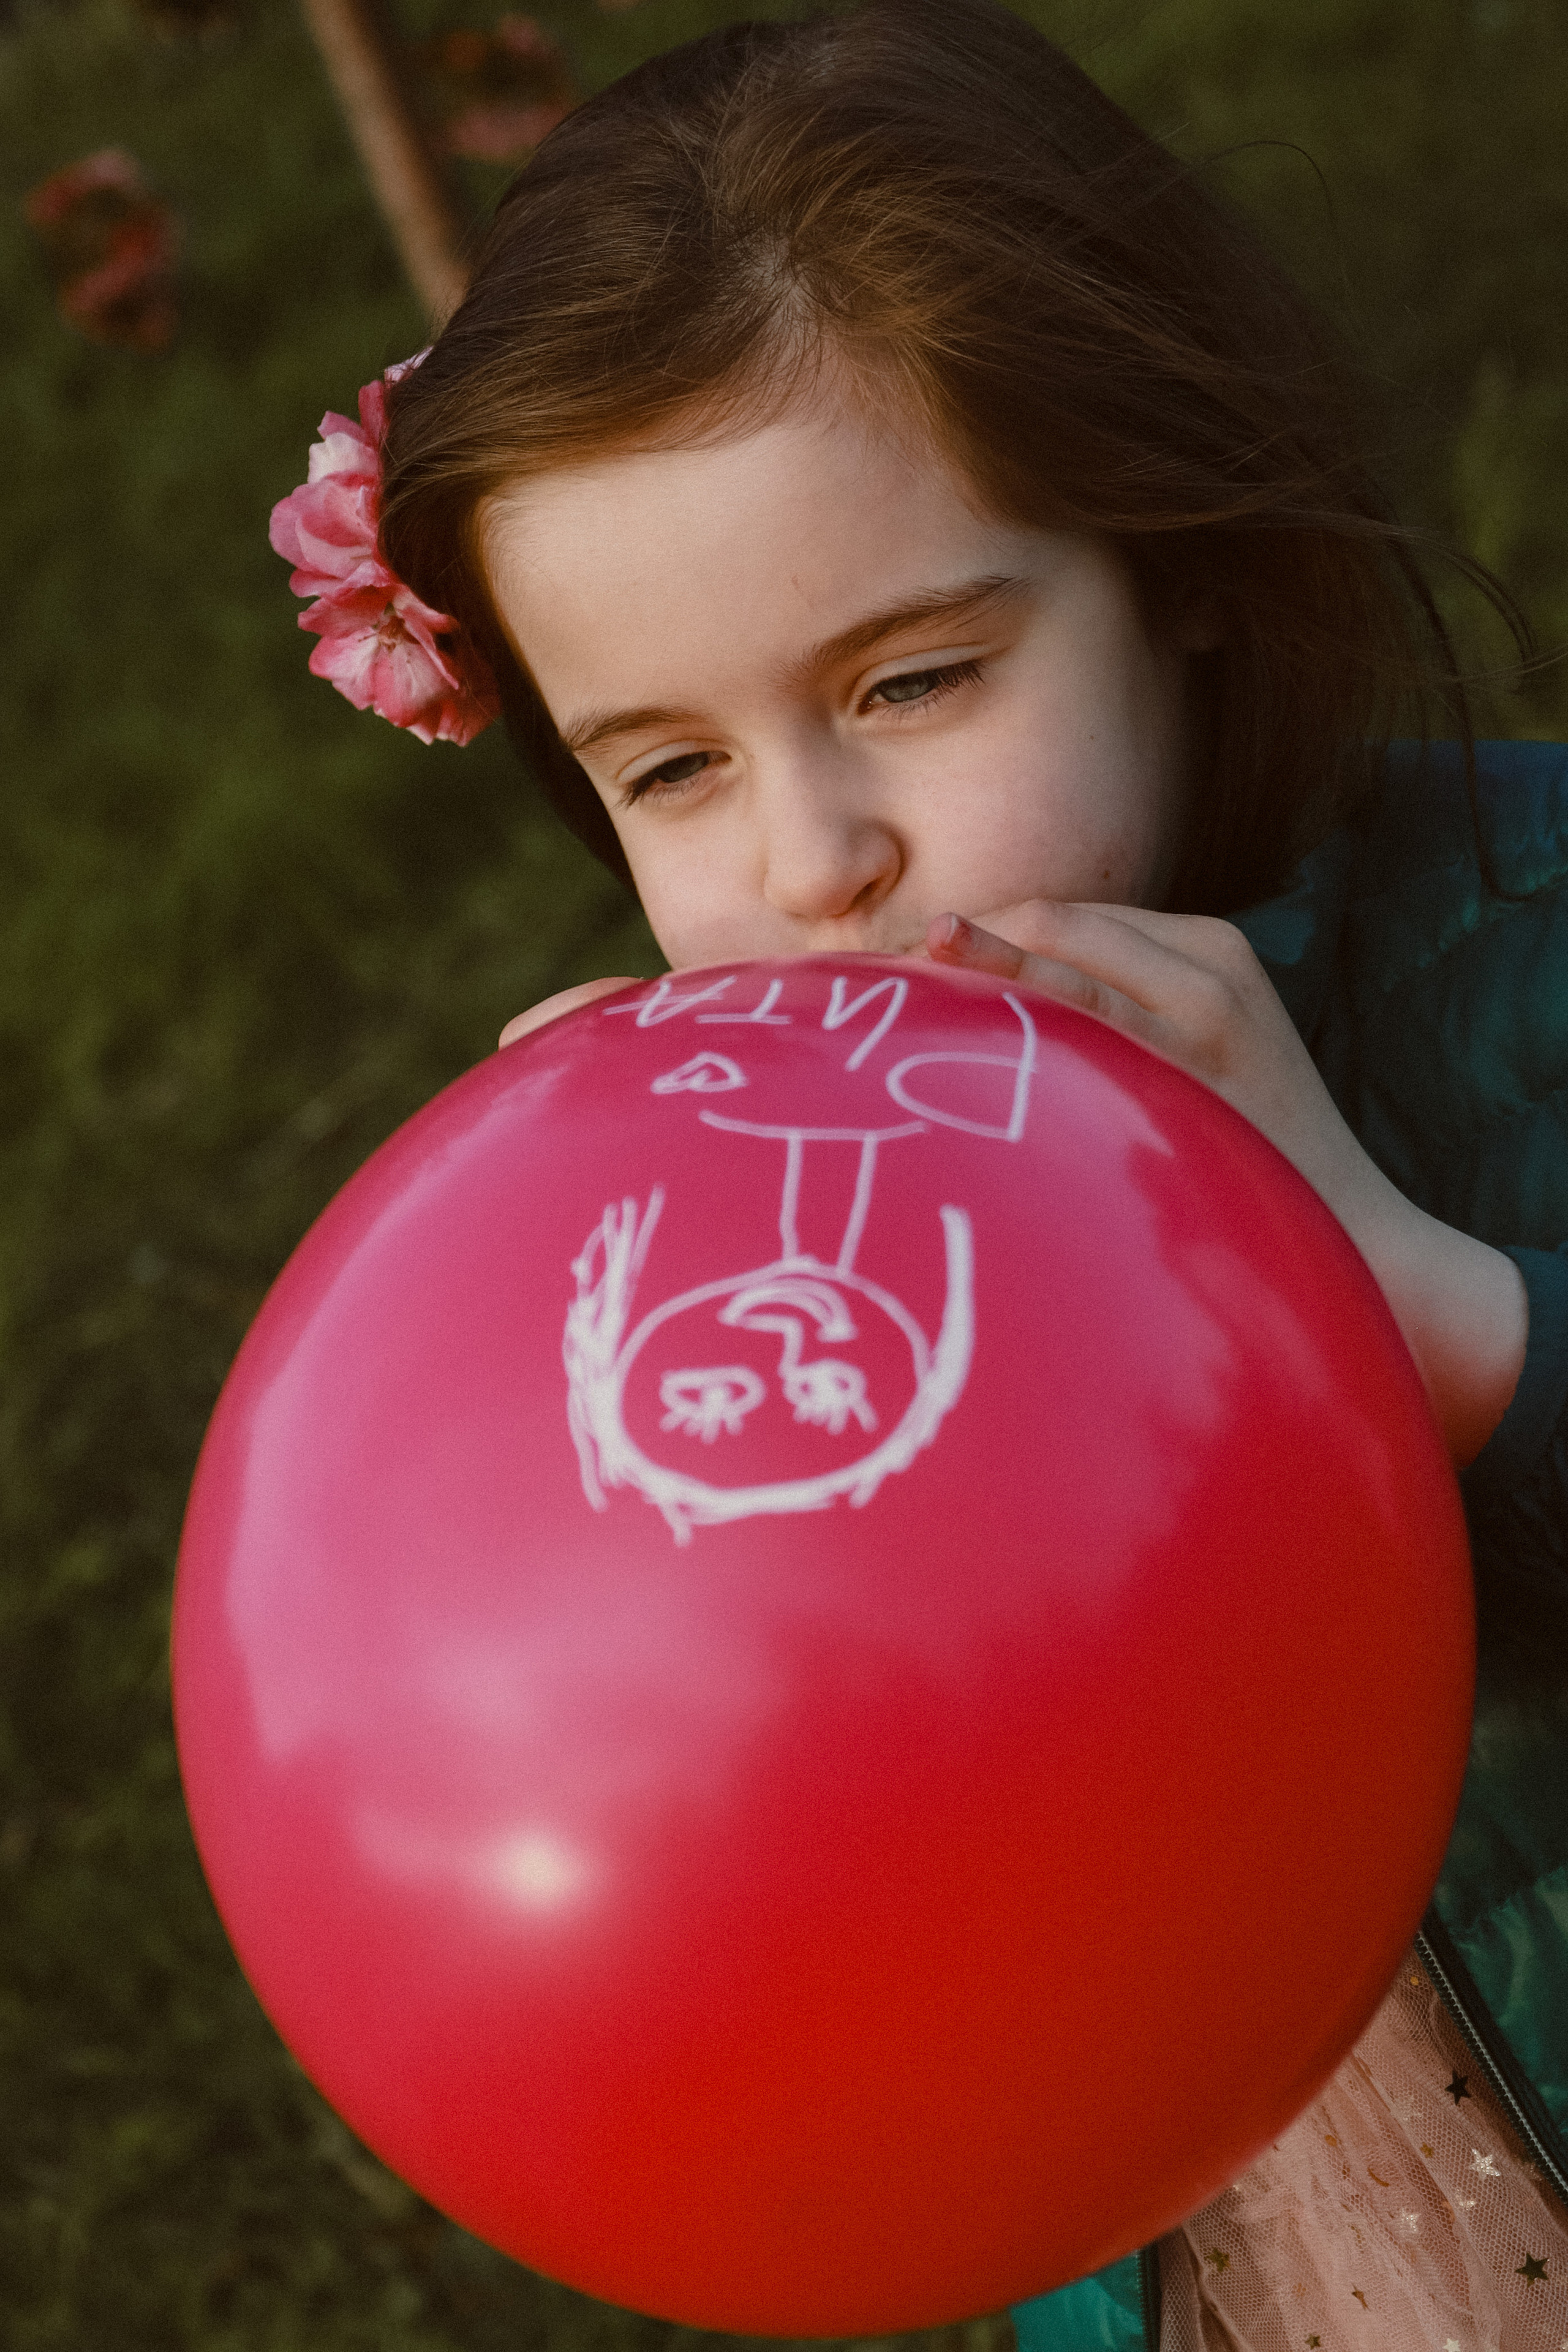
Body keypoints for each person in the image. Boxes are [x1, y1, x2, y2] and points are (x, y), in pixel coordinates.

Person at [270, 2, 1568, 2342]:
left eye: (912, 683)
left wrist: (1435, 1310)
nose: (818, 863)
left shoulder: (1542, 952)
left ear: (1168, 552)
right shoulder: (693, 1187)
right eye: (669, 771)